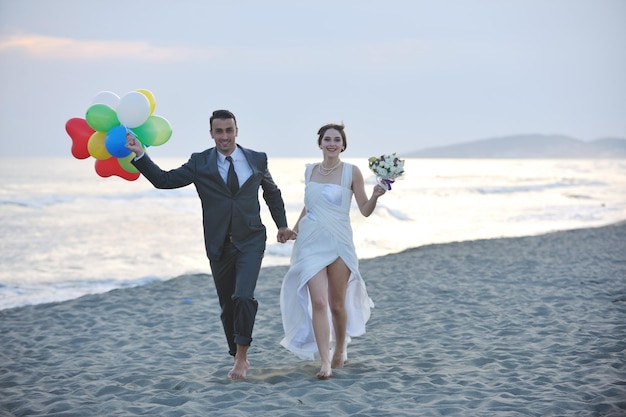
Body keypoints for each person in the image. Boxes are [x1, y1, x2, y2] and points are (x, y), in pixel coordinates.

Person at [126, 109, 293, 380]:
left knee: (243, 296)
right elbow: (164, 180)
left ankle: (242, 357)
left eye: (229, 130)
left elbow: (271, 192)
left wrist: (282, 225)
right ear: (211, 133)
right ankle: (235, 351)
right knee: (227, 304)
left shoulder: (257, 159)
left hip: (251, 239)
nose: (224, 136)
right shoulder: (199, 162)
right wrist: (140, 154)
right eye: (219, 131)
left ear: (237, 131)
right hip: (218, 244)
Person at [279, 123, 386, 379]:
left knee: (337, 304)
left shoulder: (352, 172)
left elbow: (365, 210)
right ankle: (325, 360)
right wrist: (293, 230)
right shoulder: (309, 171)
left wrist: (375, 195)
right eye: (327, 139)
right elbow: (309, 207)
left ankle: (339, 349)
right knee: (318, 301)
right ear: (320, 143)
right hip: (310, 242)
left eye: (337, 139)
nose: (332, 143)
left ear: (343, 144)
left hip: (339, 243)